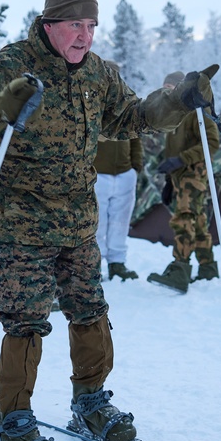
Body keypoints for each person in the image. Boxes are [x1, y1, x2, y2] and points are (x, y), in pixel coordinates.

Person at [0, 0, 217, 441]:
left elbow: (132, 116)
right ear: (49, 25)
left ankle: (90, 403)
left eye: (91, 26)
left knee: (90, 310)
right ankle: (13, 424)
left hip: (76, 222)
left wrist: (177, 101)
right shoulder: (10, 66)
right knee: (24, 321)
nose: (85, 36)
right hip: (19, 225)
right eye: (75, 25)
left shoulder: (98, 75)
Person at [146, 71, 221, 294]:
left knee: (184, 220)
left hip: (194, 175)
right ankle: (208, 268)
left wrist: (181, 160)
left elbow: (212, 144)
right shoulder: (173, 115)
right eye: (164, 88)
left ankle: (180, 269)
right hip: (181, 178)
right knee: (196, 221)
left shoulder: (196, 110)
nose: (166, 92)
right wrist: (170, 181)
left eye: (170, 87)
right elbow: (173, 150)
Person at [93, 60, 143, 282]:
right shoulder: (91, 102)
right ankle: (94, 266)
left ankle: (117, 263)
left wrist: (136, 166)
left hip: (124, 173)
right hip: (98, 173)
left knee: (120, 222)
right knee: (97, 223)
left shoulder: (127, 103)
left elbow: (135, 135)